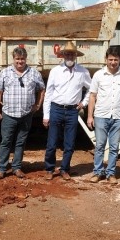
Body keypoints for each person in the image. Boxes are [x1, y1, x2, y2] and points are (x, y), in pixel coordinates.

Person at [0, 46, 45, 179]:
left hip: (26, 114)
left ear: (26, 59)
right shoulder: (5, 73)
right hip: (9, 114)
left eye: (22, 59)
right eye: (17, 59)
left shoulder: (34, 73)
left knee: (20, 142)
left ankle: (16, 167)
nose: (20, 62)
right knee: (6, 141)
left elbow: (42, 89)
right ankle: (2, 168)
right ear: (13, 59)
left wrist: (38, 105)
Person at [43, 41, 92, 181]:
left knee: (69, 144)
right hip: (56, 108)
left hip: (72, 111)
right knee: (51, 143)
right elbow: (48, 93)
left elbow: (92, 88)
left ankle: (65, 169)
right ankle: (50, 169)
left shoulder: (83, 72)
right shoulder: (55, 71)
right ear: (63, 55)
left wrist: (84, 102)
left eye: (72, 54)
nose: (70, 56)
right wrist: (46, 115)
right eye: (67, 54)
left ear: (76, 55)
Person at [87, 47, 120, 184]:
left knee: (114, 147)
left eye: (116, 60)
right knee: (100, 146)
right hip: (101, 115)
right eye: (110, 59)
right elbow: (92, 96)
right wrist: (90, 116)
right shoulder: (98, 75)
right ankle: (97, 172)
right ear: (106, 59)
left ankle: (111, 173)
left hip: (118, 116)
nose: (113, 62)